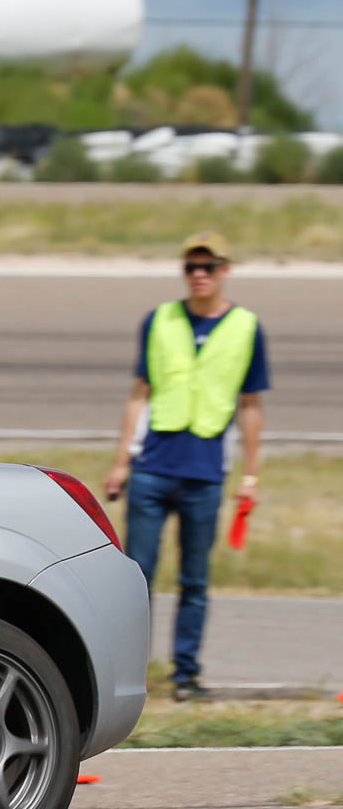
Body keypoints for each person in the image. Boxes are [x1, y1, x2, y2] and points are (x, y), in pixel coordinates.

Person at [103, 231, 268, 701]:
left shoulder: (246, 327)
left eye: (208, 267)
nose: (199, 275)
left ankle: (186, 675)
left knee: (195, 581)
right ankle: (127, 674)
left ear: (224, 271)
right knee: (138, 578)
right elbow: (139, 395)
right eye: (191, 267)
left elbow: (251, 406)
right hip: (152, 470)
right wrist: (121, 462)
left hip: (205, 474)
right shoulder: (159, 321)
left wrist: (251, 476)